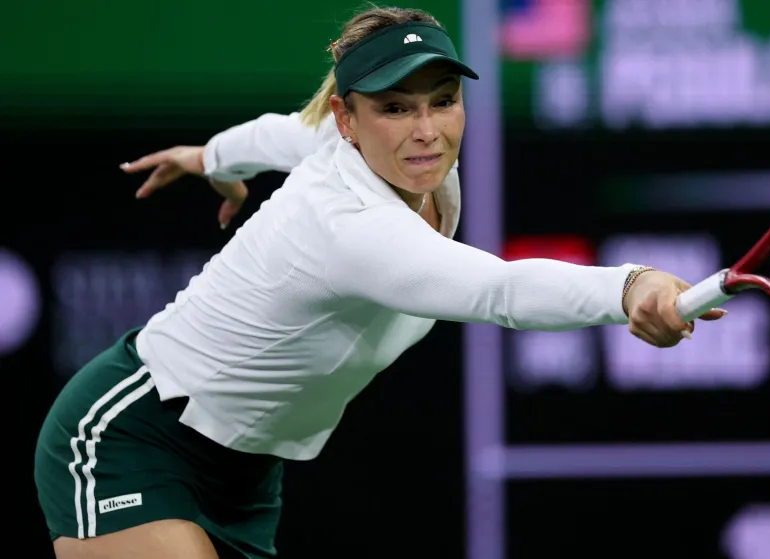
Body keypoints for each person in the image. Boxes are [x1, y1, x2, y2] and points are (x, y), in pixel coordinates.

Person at [34, 6, 727, 559]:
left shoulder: (390, 160)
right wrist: (629, 284)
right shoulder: (349, 225)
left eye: (442, 100)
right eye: (396, 108)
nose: (426, 130)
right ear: (350, 119)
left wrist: (210, 156)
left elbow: (284, 134)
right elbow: (500, 290)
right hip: (134, 433)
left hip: (246, 475)